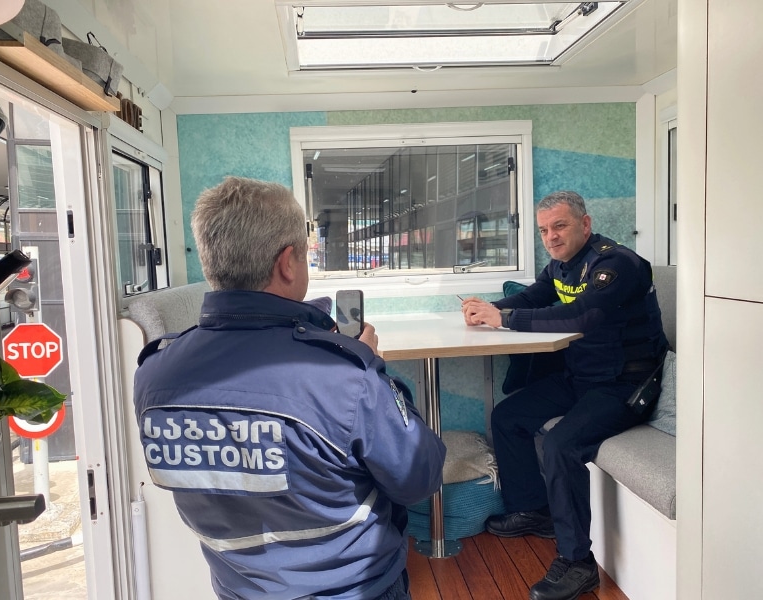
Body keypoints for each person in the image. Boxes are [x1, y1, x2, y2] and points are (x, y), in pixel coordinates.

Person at [133, 176, 446, 600]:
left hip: (238, 588)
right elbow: (419, 477)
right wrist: (373, 369)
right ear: (287, 263)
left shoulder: (154, 373)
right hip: (354, 590)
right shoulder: (345, 377)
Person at [461, 190, 668, 600]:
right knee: (508, 418)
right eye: (543, 230)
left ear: (585, 224)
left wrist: (503, 318)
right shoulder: (561, 264)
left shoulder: (618, 263)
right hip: (582, 379)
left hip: (627, 386)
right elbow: (534, 297)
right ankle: (534, 510)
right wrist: (485, 309)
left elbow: (584, 315)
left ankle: (578, 563)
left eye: (559, 226)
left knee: (560, 444)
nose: (551, 237)